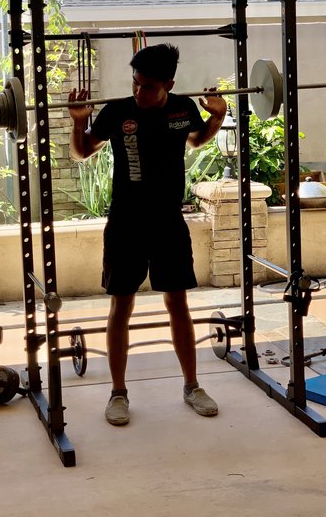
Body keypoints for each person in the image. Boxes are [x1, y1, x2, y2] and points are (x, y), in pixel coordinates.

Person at [68, 43, 227, 426]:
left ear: (168, 84)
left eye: (149, 86)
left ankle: (191, 386)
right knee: (121, 306)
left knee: (178, 304)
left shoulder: (182, 109)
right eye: (135, 83)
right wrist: (78, 121)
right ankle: (118, 393)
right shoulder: (117, 111)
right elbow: (81, 152)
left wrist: (218, 117)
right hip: (126, 223)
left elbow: (196, 139)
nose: (139, 92)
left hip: (168, 221)